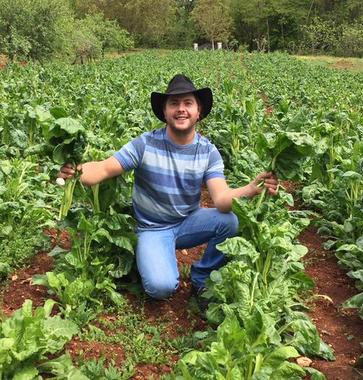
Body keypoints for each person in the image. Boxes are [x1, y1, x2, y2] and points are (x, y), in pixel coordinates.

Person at [58, 74, 278, 307]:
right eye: (174, 103)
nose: (181, 109)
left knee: (231, 221)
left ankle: (201, 278)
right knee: (160, 287)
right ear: (164, 112)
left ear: (198, 111)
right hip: (152, 227)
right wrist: (77, 171)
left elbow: (222, 199)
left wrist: (252, 188)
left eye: (187, 103)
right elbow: (103, 168)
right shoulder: (145, 144)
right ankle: (150, 255)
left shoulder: (208, 151)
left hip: (189, 221)